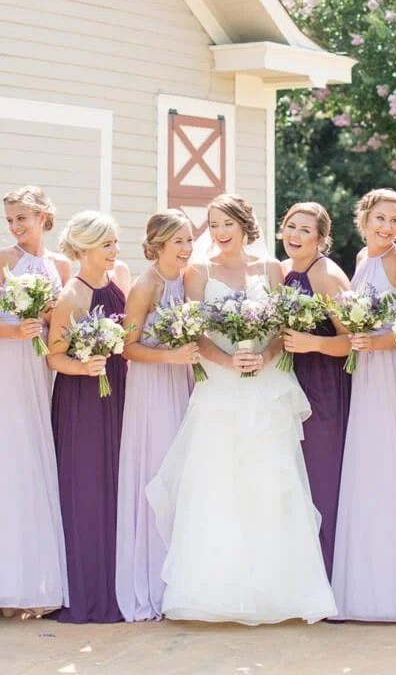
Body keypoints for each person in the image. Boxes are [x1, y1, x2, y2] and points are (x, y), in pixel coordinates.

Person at [146, 193, 336, 625]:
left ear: (244, 225)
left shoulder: (271, 269)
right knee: (217, 480)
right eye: (212, 224)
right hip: (219, 384)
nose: (219, 232)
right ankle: (212, 592)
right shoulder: (199, 272)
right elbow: (195, 332)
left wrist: (264, 356)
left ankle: (278, 592)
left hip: (265, 385)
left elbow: (283, 326)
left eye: (226, 223)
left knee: (270, 480)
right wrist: (228, 361)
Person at [0, 186, 70, 617]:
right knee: (8, 453)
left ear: (43, 217)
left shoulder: (61, 265)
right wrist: (16, 331)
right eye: (10, 220)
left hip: (41, 366)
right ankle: (2, 581)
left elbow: (62, 319)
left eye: (21, 219)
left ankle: (36, 577)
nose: (14, 227)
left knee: (35, 454)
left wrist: (46, 321)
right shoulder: (2, 259)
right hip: (8, 363)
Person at [332, 189, 396, 621]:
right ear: (364, 217)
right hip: (364, 373)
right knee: (365, 464)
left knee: (387, 461)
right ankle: (361, 583)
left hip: (390, 373)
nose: (387, 227)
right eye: (381, 218)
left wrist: (372, 342)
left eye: (395, 220)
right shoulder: (360, 259)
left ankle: (391, 588)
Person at [116, 210, 197, 621]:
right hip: (152, 388)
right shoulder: (144, 286)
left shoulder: (187, 280)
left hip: (183, 382)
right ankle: (152, 580)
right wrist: (171, 356)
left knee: (184, 475)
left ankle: (182, 578)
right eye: (179, 241)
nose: (187, 248)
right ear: (159, 244)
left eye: (189, 240)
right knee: (159, 468)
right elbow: (127, 347)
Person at [48, 210, 127, 624]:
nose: (115, 250)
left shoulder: (119, 281)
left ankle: (119, 583)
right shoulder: (71, 297)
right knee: (86, 487)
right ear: (85, 248)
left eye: (114, 242)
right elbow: (54, 356)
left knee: (116, 484)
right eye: (107, 244)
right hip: (82, 400)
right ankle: (86, 587)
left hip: (118, 395)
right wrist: (84, 367)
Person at [279, 201, 351, 579]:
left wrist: (313, 343)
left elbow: (353, 342)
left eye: (305, 230)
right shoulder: (287, 271)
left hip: (324, 388)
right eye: (291, 226)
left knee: (322, 479)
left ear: (321, 239)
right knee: (295, 480)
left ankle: (330, 574)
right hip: (292, 384)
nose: (295, 235)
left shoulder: (327, 276)